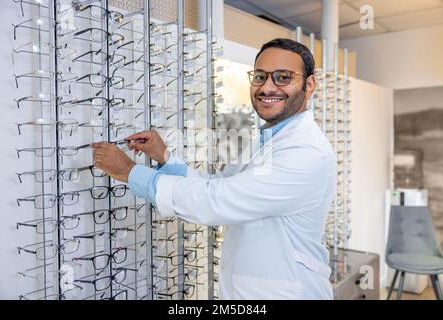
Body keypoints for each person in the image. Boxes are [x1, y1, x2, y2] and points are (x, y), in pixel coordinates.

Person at [91, 38, 337, 300]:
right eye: (261, 76)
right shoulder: (267, 140)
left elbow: (216, 201)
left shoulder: (306, 153)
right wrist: (164, 157)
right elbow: (219, 184)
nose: (267, 87)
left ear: (309, 85)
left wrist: (129, 172)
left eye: (282, 77)